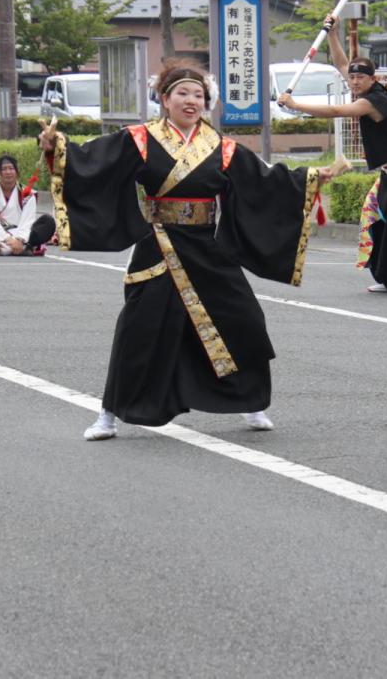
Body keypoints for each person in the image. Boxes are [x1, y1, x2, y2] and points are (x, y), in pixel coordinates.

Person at [39, 61, 345, 440]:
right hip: (158, 246)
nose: (191, 101)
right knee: (138, 328)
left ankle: (250, 402)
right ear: (164, 99)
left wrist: (310, 179)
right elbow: (91, 162)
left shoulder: (222, 147)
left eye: (198, 95)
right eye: (182, 94)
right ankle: (108, 414)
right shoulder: (139, 138)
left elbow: (264, 181)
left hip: (206, 246)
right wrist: (57, 148)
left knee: (243, 319)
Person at [279, 15, 387, 298]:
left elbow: (336, 112)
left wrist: (295, 104)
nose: (354, 81)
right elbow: (342, 64)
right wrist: (333, 35)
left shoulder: (375, 100)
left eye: (360, 77)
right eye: (352, 77)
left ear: (373, 79)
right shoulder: (364, 87)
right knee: (378, 223)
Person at [0, 154, 55, 256]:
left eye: (11, 168)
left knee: (48, 221)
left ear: (17, 172)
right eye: (4, 169)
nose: (8, 172)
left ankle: (12, 249)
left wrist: (19, 240)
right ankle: (19, 249)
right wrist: (8, 239)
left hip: (23, 236)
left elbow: (28, 221)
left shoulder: (29, 194)